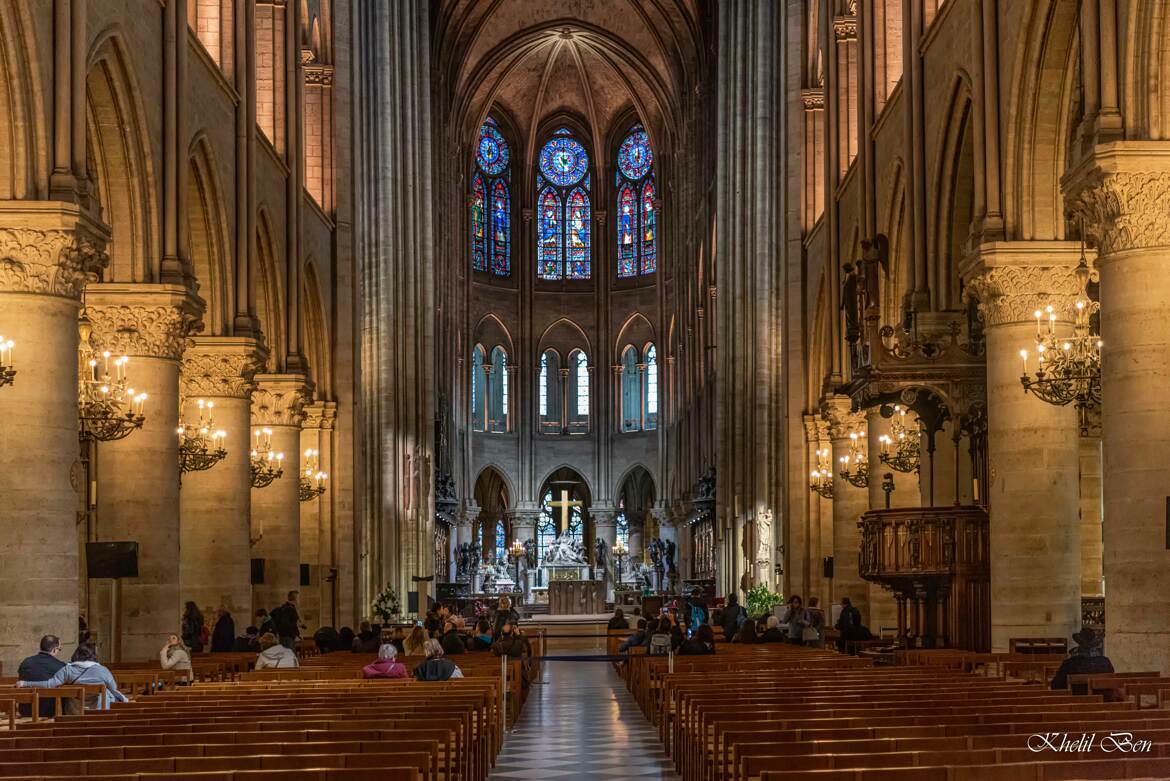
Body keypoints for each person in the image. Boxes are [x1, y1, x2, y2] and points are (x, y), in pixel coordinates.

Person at [19, 644, 127, 710]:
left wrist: (25, 683)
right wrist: (125, 701)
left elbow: (49, 684)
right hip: (99, 709)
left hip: (74, 710)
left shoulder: (68, 669)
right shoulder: (103, 671)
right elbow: (114, 690)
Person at [17, 635, 66, 717]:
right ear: (54, 650)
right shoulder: (61, 666)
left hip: (27, 711)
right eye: (59, 649)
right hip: (51, 712)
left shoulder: (26, 662)